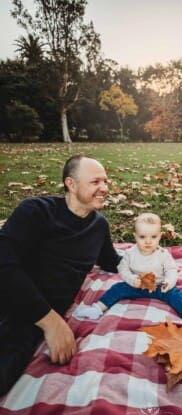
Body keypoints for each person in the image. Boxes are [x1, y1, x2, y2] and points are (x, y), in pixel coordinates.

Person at [0, 155, 120, 396]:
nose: (105, 188)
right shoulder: (35, 211)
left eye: (106, 181)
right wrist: (52, 323)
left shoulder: (99, 226)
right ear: (71, 184)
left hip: (26, 327)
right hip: (14, 301)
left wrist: (150, 260)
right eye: (95, 181)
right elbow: (4, 263)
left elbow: (112, 262)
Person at [74, 212, 182, 330]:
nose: (148, 241)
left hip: (158, 287)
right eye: (142, 237)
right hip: (136, 285)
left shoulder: (163, 254)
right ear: (135, 237)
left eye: (153, 237)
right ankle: (97, 309)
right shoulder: (130, 254)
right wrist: (131, 279)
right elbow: (122, 268)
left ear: (159, 236)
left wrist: (168, 282)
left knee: (175, 293)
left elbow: (171, 270)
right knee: (117, 288)